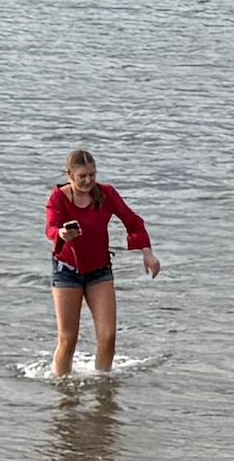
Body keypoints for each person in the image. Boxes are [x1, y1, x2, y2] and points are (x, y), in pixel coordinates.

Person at [43, 146, 158, 375]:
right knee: (68, 339)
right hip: (67, 271)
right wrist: (62, 234)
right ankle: (63, 390)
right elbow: (50, 228)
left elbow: (132, 221)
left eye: (92, 175)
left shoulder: (105, 194)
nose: (88, 181)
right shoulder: (58, 197)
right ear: (69, 175)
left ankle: (103, 383)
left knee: (108, 336)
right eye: (82, 176)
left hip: (99, 271)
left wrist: (147, 252)